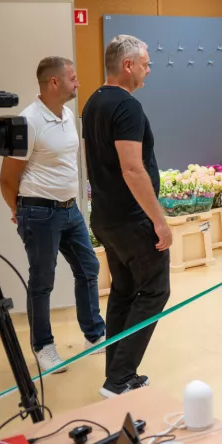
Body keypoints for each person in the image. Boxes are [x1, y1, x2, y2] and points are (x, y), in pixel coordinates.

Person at [0, 57, 106, 373]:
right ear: (54, 83)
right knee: (42, 281)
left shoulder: (68, 115)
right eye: (73, 78)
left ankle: (94, 334)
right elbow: (7, 178)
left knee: (89, 266)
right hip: (39, 212)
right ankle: (43, 347)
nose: (78, 83)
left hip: (69, 209)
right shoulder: (28, 121)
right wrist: (19, 211)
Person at [82, 35, 172, 399]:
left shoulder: (93, 102)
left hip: (105, 215)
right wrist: (159, 221)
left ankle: (117, 375)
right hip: (131, 219)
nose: (149, 70)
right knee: (154, 290)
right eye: (146, 64)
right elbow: (132, 170)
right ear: (128, 65)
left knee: (122, 291)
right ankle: (118, 378)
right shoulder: (127, 106)